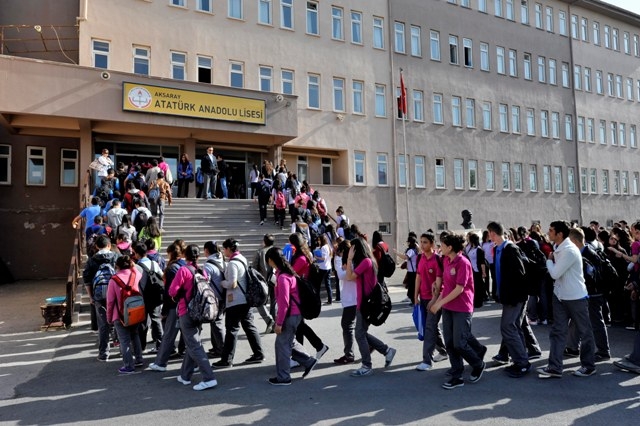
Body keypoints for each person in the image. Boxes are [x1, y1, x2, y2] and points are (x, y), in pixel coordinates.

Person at [538, 220, 596, 379]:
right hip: (561, 296)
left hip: (576, 297)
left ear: (559, 234)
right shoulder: (558, 247)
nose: (548, 233)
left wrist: (548, 260)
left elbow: (555, 273)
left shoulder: (569, 250)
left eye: (551, 231)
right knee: (558, 332)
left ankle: (588, 366)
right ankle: (555, 367)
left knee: (585, 332)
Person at [430, 233, 486, 389]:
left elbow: (459, 289)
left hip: (462, 307)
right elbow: (447, 287)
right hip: (448, 307)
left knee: (460, 343)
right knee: (449, 343)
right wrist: (437, 299)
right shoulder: (446, 260)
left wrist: (439, 303)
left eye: (441, 245)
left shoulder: (463, 262)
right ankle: (457, 374)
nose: (439, 247)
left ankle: (478, 363)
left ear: (450, 247)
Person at [168, 244, 218, 391]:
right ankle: (185, 375)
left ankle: (209, 378)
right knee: (192, 343)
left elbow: (172, 290)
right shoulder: (202, 270)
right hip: (200, 311)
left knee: (195, 345)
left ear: (185, 255)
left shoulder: (183, 270)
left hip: (186, 311)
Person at [265, 247, 318, 385]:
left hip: (289, 315)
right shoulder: (289, 274)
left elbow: (284, 304)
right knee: (289, 341)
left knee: (282, 344)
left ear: (271, 260)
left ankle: (283, 377)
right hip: (296, 315)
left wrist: (279, 323)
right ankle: (309, 361)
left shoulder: (283, 278)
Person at [487, 222, 533, 378]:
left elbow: (520, 274)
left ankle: (522, 363)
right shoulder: (498, 249)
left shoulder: (510, 249)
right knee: (514, 327)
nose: (488, 236)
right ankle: (520, 360)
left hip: (515, 297)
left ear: (493, 233)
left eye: (489, 233)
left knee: (508, 327)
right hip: (508, 296)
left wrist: (514, 297)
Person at [345, 237, 396, 377]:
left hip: (366, 304)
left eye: (351, 249)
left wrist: (349, 259)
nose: (350, 251)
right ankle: (386, 350)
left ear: (356, 249)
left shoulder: (366, 262)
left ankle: (367, 365)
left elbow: (349, 277)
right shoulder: (368, 261)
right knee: (362, 333)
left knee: (359, 334)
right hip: (365, 303)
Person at [212, 238, 265, 368]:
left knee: (231, 330)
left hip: (236, 301)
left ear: (229, 249)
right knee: (249, 327)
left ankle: (226, 360)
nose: (224, 252)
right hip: (246, 300)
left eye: (225, 249)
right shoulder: (242, 259)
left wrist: (222, 283)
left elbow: (232, 283)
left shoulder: (233, 263)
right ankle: (259, 354)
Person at [566, 228, 612, 362]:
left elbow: (593, 277)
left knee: (596, 322)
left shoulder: (589, 254)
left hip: (593, 294)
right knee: (576, 320)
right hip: (585, 293)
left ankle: (603, 351)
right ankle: (572, 347)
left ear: (574, 241)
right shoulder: (583, 253)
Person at [290, 233, 329, 364]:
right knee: (300, 326)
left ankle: (302, 355)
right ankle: (315, 348)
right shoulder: (306, 254)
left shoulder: (301, 258)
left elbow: (291, 274)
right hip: (302, 293)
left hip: (301, 294)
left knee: (299, 326)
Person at [413, 232, 449, 371]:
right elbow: (418, 278)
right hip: (423, 298)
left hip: (435, 299)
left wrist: (434, 300)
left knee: (429, 328)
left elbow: (440, 282)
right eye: (421, 242)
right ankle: (443, 351)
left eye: (425, 242)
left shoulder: (438, 259)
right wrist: (415, 296)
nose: (422, 245)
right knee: (431, 327)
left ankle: (427, 360)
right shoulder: (420, 258)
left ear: (432, 244)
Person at [149, 242, 186, 372]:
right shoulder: (184, 265)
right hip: (186, 304)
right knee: (189, 336)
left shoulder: (171, 269)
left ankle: (161, 362)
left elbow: (169, 292)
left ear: (170, 253)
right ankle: (194, 362)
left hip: (174, 306)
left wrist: (164, 311)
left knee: (169, 335)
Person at [106, 255, 144, 374]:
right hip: (136, 310)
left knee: (124, 340)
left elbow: (110, 301)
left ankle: (128, 365)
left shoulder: (114, 280)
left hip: (120, 315)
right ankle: (139, 359)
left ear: (117, 266)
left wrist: (109, 317)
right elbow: (135, 270)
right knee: (135, 335)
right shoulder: (136, 274)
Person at [83, 235, 118, 362]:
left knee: (103, 325)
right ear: (109, 245)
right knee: (118, 320)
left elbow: (87, 279)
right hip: (116, 294)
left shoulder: (92, 260)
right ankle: (121, 348)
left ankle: (104, 353)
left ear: (97, 246)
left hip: (99, 295)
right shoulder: (116, 257)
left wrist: (91, 297)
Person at [132, 242, 164, 353]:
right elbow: (162, 275)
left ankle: (141, 346)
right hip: (155, 297)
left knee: (142, 323)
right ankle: (161, 344)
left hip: (142, 298)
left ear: (136, 254)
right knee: (156, 320)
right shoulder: (154, 263)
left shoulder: (136, 267)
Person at [333, 239, 357, 364]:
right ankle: (374, 346)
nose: (340, 255)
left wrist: (340, 261)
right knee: (353, 327)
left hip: (352, 299)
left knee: (348, 326)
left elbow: (343, 276)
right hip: (351, 298)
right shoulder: (350, 262)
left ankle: (349, 354)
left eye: (341, 253)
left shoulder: (352, 262)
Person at [202, 240, 226, 357]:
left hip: (215, 297)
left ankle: (221, 349)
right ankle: (216, 347)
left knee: (217, 323)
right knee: (216, 322)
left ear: (206, 250)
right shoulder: (222, 260)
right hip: (223, 296)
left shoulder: (208, 265)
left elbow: (205, 282)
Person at [253, 234, 277, 333]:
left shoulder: (260, 252)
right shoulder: (277, 251)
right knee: (274, 302)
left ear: (264, 241)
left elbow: (254, 268)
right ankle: (274, 323)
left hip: (263, 281)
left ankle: (269, 321)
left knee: (261, 303)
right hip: (275, 280)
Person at [394, 235, 420, 304]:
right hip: (414, 270)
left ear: (409, 242)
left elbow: (405, 257)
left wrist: (397, 253)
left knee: (412, 286)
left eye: (408, 242)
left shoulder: (411, 250)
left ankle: (414, 301)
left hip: (412, 271)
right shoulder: (415, 249)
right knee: (412, 286)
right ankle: (413, 300)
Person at [465, 232, 487, 309]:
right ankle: (474, 301)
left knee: (478, 287)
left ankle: (479, 302)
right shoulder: (470, 249)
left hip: (477, 270)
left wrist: (483, 272)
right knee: (473, 286)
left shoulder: (479, 249)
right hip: (471, 271)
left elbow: (482, 262)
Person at [314, 234, 334, 305]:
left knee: (318, 284)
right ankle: (330, 299)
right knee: (328, 284)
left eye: (319, 240)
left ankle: (317, 299)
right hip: (328, 267)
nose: (318, 241)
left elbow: (323, 258)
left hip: (323, 268)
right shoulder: (328, 246)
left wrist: (316, 257)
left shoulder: (323, 248)